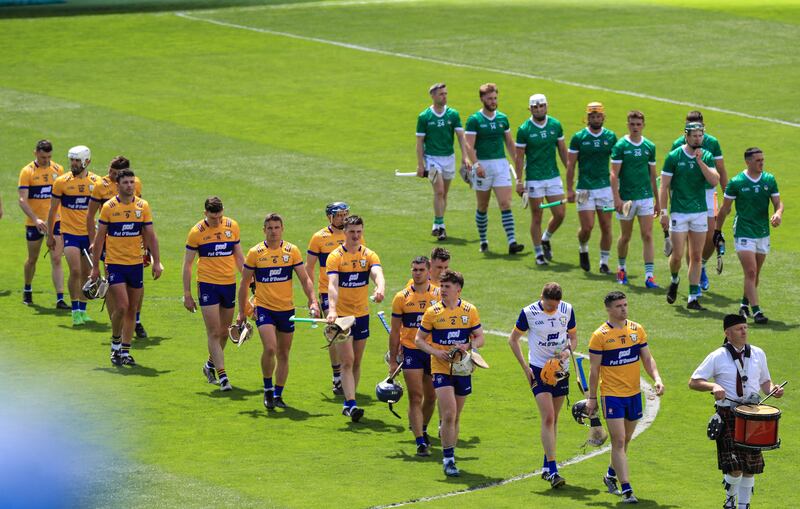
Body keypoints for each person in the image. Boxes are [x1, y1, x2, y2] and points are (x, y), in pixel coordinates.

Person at [689, 314, 784, 509]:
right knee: (735, 469)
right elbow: (694, 382)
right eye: (739, 328)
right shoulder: (717, 356)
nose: (744, 331)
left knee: (750, 468)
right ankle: (730, 501)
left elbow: (765, 382)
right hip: (729, 415)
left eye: (745, 327)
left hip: (754, 415)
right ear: (727, 333)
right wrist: (713, 387)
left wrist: (773, 389)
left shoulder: (758, 353)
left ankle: (744, 506)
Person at [587, 291, 664, 504]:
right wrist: (592, 399)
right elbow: (594, 371)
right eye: (619, 306)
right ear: (609, 309)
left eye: (625, 305)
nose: (624, 309)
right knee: (619, 440)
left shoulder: (636, 330)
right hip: (611, 396)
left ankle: (610, 474)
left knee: (626, 439)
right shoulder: (599, 336)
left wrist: (657, 378)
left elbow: (647, 359)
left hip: (633, 394)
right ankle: (627, 489)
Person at [239, 213, 318, 409]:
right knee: (271, 348)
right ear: (264, 230)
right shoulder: (255, 253)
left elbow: (305, 279)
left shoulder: (292, 251)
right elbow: (243, 284)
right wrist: (242, 311)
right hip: (264, 308)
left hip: (286, 310)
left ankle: (278, 394)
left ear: (282, 229)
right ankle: (267, 389)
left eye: (276, 228)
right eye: (269, 228)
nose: (273, 231)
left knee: (284, 353)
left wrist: (313, 301)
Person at [414, 270, 484, 477]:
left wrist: (467, 345)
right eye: (442, 286)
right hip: (441, 368)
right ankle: (449, 460)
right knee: (449, 413)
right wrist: (437, 352)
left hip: (462, 368)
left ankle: (447, 443)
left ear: (458, 290)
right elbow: (419, 339)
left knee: (455, 416)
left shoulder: (469, 310)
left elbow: (480, 338)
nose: (442, 290)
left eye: (447, 287)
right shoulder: (433, 312)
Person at [90, 169, 163, 366]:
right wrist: (95, 267)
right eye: (125, 183)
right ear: (118, 185)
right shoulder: (109, 207)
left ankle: (125, 351)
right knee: (121, 306)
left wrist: (156, 261)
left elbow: (151, 235)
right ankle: (115, 344)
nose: (130, 185)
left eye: (132, 182)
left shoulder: (143, 206)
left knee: (132, 309)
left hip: (135, 264)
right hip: (115, 263)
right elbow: (99, 240)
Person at [508, 282, 577, 488]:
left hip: (560, 369)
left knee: (554, 419)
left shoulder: (567, 310)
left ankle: (546, 466)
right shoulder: (529, 313)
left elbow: (573, 338)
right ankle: (554, 471)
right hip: (538, 370)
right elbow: (513, 340)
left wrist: (566, 352)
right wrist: (525, 368)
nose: (551, 309)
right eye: (548, 306)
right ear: (542, 297)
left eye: (554, 306)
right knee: (547, 417)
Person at [326, 215, 385, 421]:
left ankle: (348, 402)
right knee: (348, 360)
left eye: (359, 231)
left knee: (357, 361)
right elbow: (332, 285)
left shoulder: (369, 255)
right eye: (352, 232)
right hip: (343, 317)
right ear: (344, 232)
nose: (356, 235)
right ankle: (351, 403)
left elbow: (377, 273)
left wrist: (380, 288)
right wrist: (332, 310)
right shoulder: (335, 257)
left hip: (362, 314)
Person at [183, 197, 244, 391]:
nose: (216, 222)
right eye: (212, 218)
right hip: (208, 285)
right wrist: (187, 294)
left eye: (219, 217)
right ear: (205, 214)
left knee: (224, 332)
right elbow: (188, 265)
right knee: (213, 331)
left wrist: (251, 281)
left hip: (229, 284)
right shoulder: (196, 233)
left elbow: (239, 257)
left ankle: (209, 365)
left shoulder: (232, 226)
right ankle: (223, 377)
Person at [716, 148, 782, 324]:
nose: (761, 163)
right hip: (744, 231)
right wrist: (717, 230)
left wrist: (778, 213)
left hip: (762, 232)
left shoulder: (769, 179)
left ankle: (744, 304)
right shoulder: (736, 182)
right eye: (758, 160)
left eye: (762, 159)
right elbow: (725, 208)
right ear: (748, 162)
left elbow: (777, 203)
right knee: (751, 271)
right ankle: (757, 311)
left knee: (755, 274)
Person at [86, 156, 149, 339]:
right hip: (109, 241)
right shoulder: (100, 186)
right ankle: (118, 323)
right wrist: (93, 240)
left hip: (132, 244)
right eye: (112, 172)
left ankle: (135, 319)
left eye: (116, 173)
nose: (112, 176)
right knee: (112, 285)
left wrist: (146, 245)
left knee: (138, 285)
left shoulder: (134, 184)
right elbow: (90, 216)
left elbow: (141, 216)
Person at [659, 123, 720, 310]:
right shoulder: (674, 157)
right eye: (694, 136)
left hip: (700, 212)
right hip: (679, 212)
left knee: (695, 255)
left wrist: (700, 162)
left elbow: (714, 180)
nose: (697, 139)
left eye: (700, 136)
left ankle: (693, 297)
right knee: (677, 256)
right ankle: (675, 279)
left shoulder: (706, 156)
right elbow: (664, 186)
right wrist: (663, 212)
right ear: (686, 136)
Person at [464, 83, 525, 255]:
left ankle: (512, 242)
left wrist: (519, 162)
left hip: (500, 165)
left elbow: (510, 144)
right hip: (482, 165)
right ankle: (483, 240)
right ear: (482, 99)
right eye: (490, 98)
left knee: (505, 203)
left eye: (495, 98)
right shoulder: (474, 120)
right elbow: (469, 145)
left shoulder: (502, 118)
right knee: (483, 205)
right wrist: (476, 165)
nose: (493, 101)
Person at [671, 111, 728, 292]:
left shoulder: (712, 142)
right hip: (686, 195)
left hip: (707, 192)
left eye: (698, 127)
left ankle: (701, 265)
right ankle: (693, 283)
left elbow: (720, 170)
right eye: (690, 126)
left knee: (711, 235)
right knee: (690, 240)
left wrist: (727, 196)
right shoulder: (678, 144)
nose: (695, 131)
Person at [390, 256, 441, 457]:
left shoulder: (438, 296)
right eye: (414, 270)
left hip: (433, 351)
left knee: (431, 397)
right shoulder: (401, 298)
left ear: (429, 272)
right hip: (411, 351)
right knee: (415, 396)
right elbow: (395, 332)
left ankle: (423, 427)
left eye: (421, 269)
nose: (417, 273)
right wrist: (393, 360)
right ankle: (420, 441)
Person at [306, 201, 359, 396]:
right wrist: (311, 298)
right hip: (327, 291)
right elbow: (309, 268)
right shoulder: (319, 238)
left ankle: (346, 372)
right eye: (338, 215)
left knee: (351, 336)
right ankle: (337, 375)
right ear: (329, 217)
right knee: (337, 329)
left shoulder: (352, 235)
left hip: (350, 293)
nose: (342, 218)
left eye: (345, 214)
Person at [47, 145, 101, 326]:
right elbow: (53, 210)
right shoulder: (62, 182)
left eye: (77, 160)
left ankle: (83, 311)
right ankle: (75, 310)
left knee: (87, 273)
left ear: (86, 161)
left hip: (89, 235)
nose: (73, 164)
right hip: (69, 233)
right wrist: (50, 235)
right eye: (72, 160)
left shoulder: (96, 183)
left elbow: (104, 210)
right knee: (75, 271)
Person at [514, 94, 568, 265]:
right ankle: (538, 253)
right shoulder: (524, 129)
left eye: (541, 106)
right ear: (530, 109)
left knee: (560, 214)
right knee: (537, 216)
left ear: (547, 106)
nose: (539, 110)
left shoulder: (555, 125)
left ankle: (546, 238)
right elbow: (519, 157)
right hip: (534, 178)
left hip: (553, 176)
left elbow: (562, 151)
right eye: (535, 107)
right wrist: (519, 181)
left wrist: (571, 172)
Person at [566, 102, 617, 273]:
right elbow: (571, 165)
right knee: (587, 227)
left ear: (603, 117)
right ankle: (583, 247)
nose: (595, 119)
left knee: (606, 226)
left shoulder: (610, 137)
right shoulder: (579, 138)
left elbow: (618, 163)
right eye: (592, 117)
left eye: (598, 116)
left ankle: (604, 262)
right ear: (587, 118)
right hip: (585, 189)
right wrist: (570, 189)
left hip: (605, 188)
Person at [610, 111, 660, 288]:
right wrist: (617, 199)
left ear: (643, 125)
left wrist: (658, 202)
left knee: (647, 235)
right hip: (626, 200)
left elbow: (653, 176)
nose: (635, 127)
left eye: (638, 124)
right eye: (632, 124)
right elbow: (614, 175)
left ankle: (649, 276)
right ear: (627, 124)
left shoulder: (649, 146)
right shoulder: (621, 146)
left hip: (645, 198)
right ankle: (621, 268)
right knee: (626, 236)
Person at [17, 139, 67, 308]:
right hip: (34, 223)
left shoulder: (58, 169)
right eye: (43, 157)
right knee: (33, 258)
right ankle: (27, 289)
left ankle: (60, 298)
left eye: (49, 157)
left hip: (56, 221)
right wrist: (36, 219)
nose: (46, 160)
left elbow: (63, 196)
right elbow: (22, 200)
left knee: (56, 258)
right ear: (36, 153)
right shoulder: (27, 172)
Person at [416, 83, 468, 241]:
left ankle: (436, 223)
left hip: (449, 158)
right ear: (433, 96)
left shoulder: (453, 114)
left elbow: (461, 136)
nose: (444, 96)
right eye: (441, 94)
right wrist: (420, 164)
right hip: (432, 159)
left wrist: (465, 157)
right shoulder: (424, 116)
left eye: (445, 94)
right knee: (438, 191)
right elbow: (419, 142)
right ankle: (441, 226)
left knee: (444, 193)